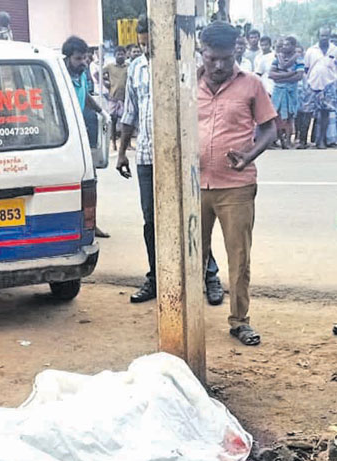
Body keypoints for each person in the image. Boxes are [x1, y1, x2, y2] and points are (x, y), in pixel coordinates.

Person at [116, 15, 223, 305]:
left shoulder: (186, 68)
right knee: (151, 221)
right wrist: (123, 151)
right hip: (148, 158)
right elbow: (130, 113)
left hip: (182, 157)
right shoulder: (137, 67)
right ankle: (156, 277)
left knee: (192, 217)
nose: (147, 51)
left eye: (151, 45)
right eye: (142, 46)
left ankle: (209, 276)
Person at [198, 22, 277, 346]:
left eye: (226, 59)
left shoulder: (252, 85)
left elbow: (270, 129)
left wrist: (249, 155)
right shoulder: (186, 83)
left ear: (236, 54)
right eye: (212, 58)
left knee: (239, 258)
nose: (218, 66)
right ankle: (188, 318)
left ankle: (239, 321)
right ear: (201, 51)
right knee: (191, 257)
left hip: (236, 187)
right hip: (194, 187)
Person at [62, 35, 109, 239]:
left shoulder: (81, 74)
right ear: (68, 57)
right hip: (64, 138)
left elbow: (86, 96)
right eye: (78, 59)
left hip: (80, 135)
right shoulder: (61, 75)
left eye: (85, 59)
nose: (83, 63)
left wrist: (102, 111)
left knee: (90, 181)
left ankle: (91, 224)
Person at [301, 26, 337, 149]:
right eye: (322, 35)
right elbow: (306, 68)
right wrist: (308, 83)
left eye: (327, 35)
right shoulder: (311, 51)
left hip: (328, 86)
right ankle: (303, 141)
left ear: (330, 36)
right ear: (318, 36)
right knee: (307, 113)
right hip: (312, 85)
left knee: (325, 114)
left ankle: (321, 141)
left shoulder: (334, 50)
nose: (324, 38)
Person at [269, 36, 304, 149]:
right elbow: (271, 75)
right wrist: (289, 74)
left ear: (294, 46)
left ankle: (288, 141)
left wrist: (280, 78)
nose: (284, 47)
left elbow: (299, 76)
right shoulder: (277, 58)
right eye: (283, 45)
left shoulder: (299, 59)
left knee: (289, 116)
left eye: (287, 44)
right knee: (277, 115)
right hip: (278, 91)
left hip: (290, 91)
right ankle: (281, 140)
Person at [102, 46, 128, 151]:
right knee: (113, 120)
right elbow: (98, 74)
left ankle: (126, 143)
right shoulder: (109, 66)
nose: (120, 56)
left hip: (125, 97)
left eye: (122, 54)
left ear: (125, 55)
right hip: (113, 97)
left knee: (126, 121)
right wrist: (107, 84)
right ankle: (113, 143)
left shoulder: (129, 66)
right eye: (118, 54)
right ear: (115, 55)